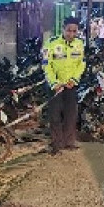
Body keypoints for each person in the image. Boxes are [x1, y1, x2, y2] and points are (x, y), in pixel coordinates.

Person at [41, 17, 86, 155]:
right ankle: (57, 143)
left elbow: (81, 64)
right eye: (69, 30)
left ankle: (69, 142)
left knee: (71, 114)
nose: (71, 34)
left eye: (74, 31)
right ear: (62, 29)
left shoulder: (79, 44)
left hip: (71, 86)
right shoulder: (51, 43)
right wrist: (54, 83)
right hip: (55, 86)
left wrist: (74, 79)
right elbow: (45, 64)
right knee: (55, 115)